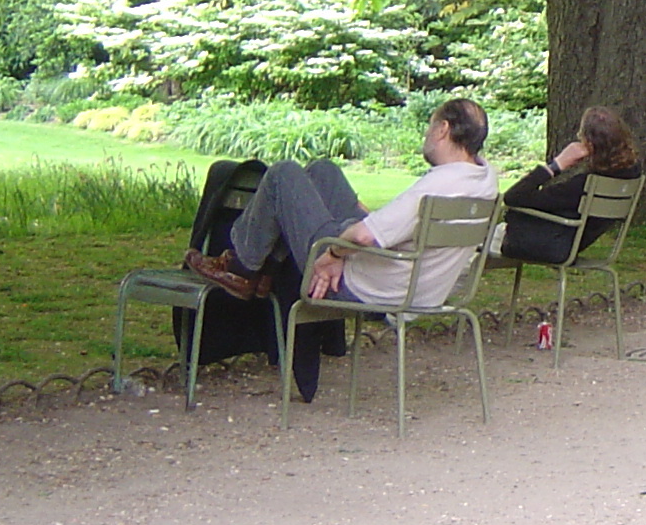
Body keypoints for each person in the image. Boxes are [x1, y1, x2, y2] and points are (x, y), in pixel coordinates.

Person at [181, 98, 500, 398]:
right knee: (324, 171)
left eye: (431, 126)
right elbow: (394, 228)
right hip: (414, 281)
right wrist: (366, 220)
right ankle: (265, 269)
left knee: (283, 175)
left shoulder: (436, 187)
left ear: (443, 129)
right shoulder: (485, 180)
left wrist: (333, 255)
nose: (427, 135)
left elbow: (362, 238)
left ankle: (244, 267)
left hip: (370, 284)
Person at [498, 105, 643, 262]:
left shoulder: (583, 186)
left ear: (588, 144)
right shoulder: (632, 173)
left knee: (483, 236)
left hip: (550, 243)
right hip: (574, 241)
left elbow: (513, 197)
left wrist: (557, 164)